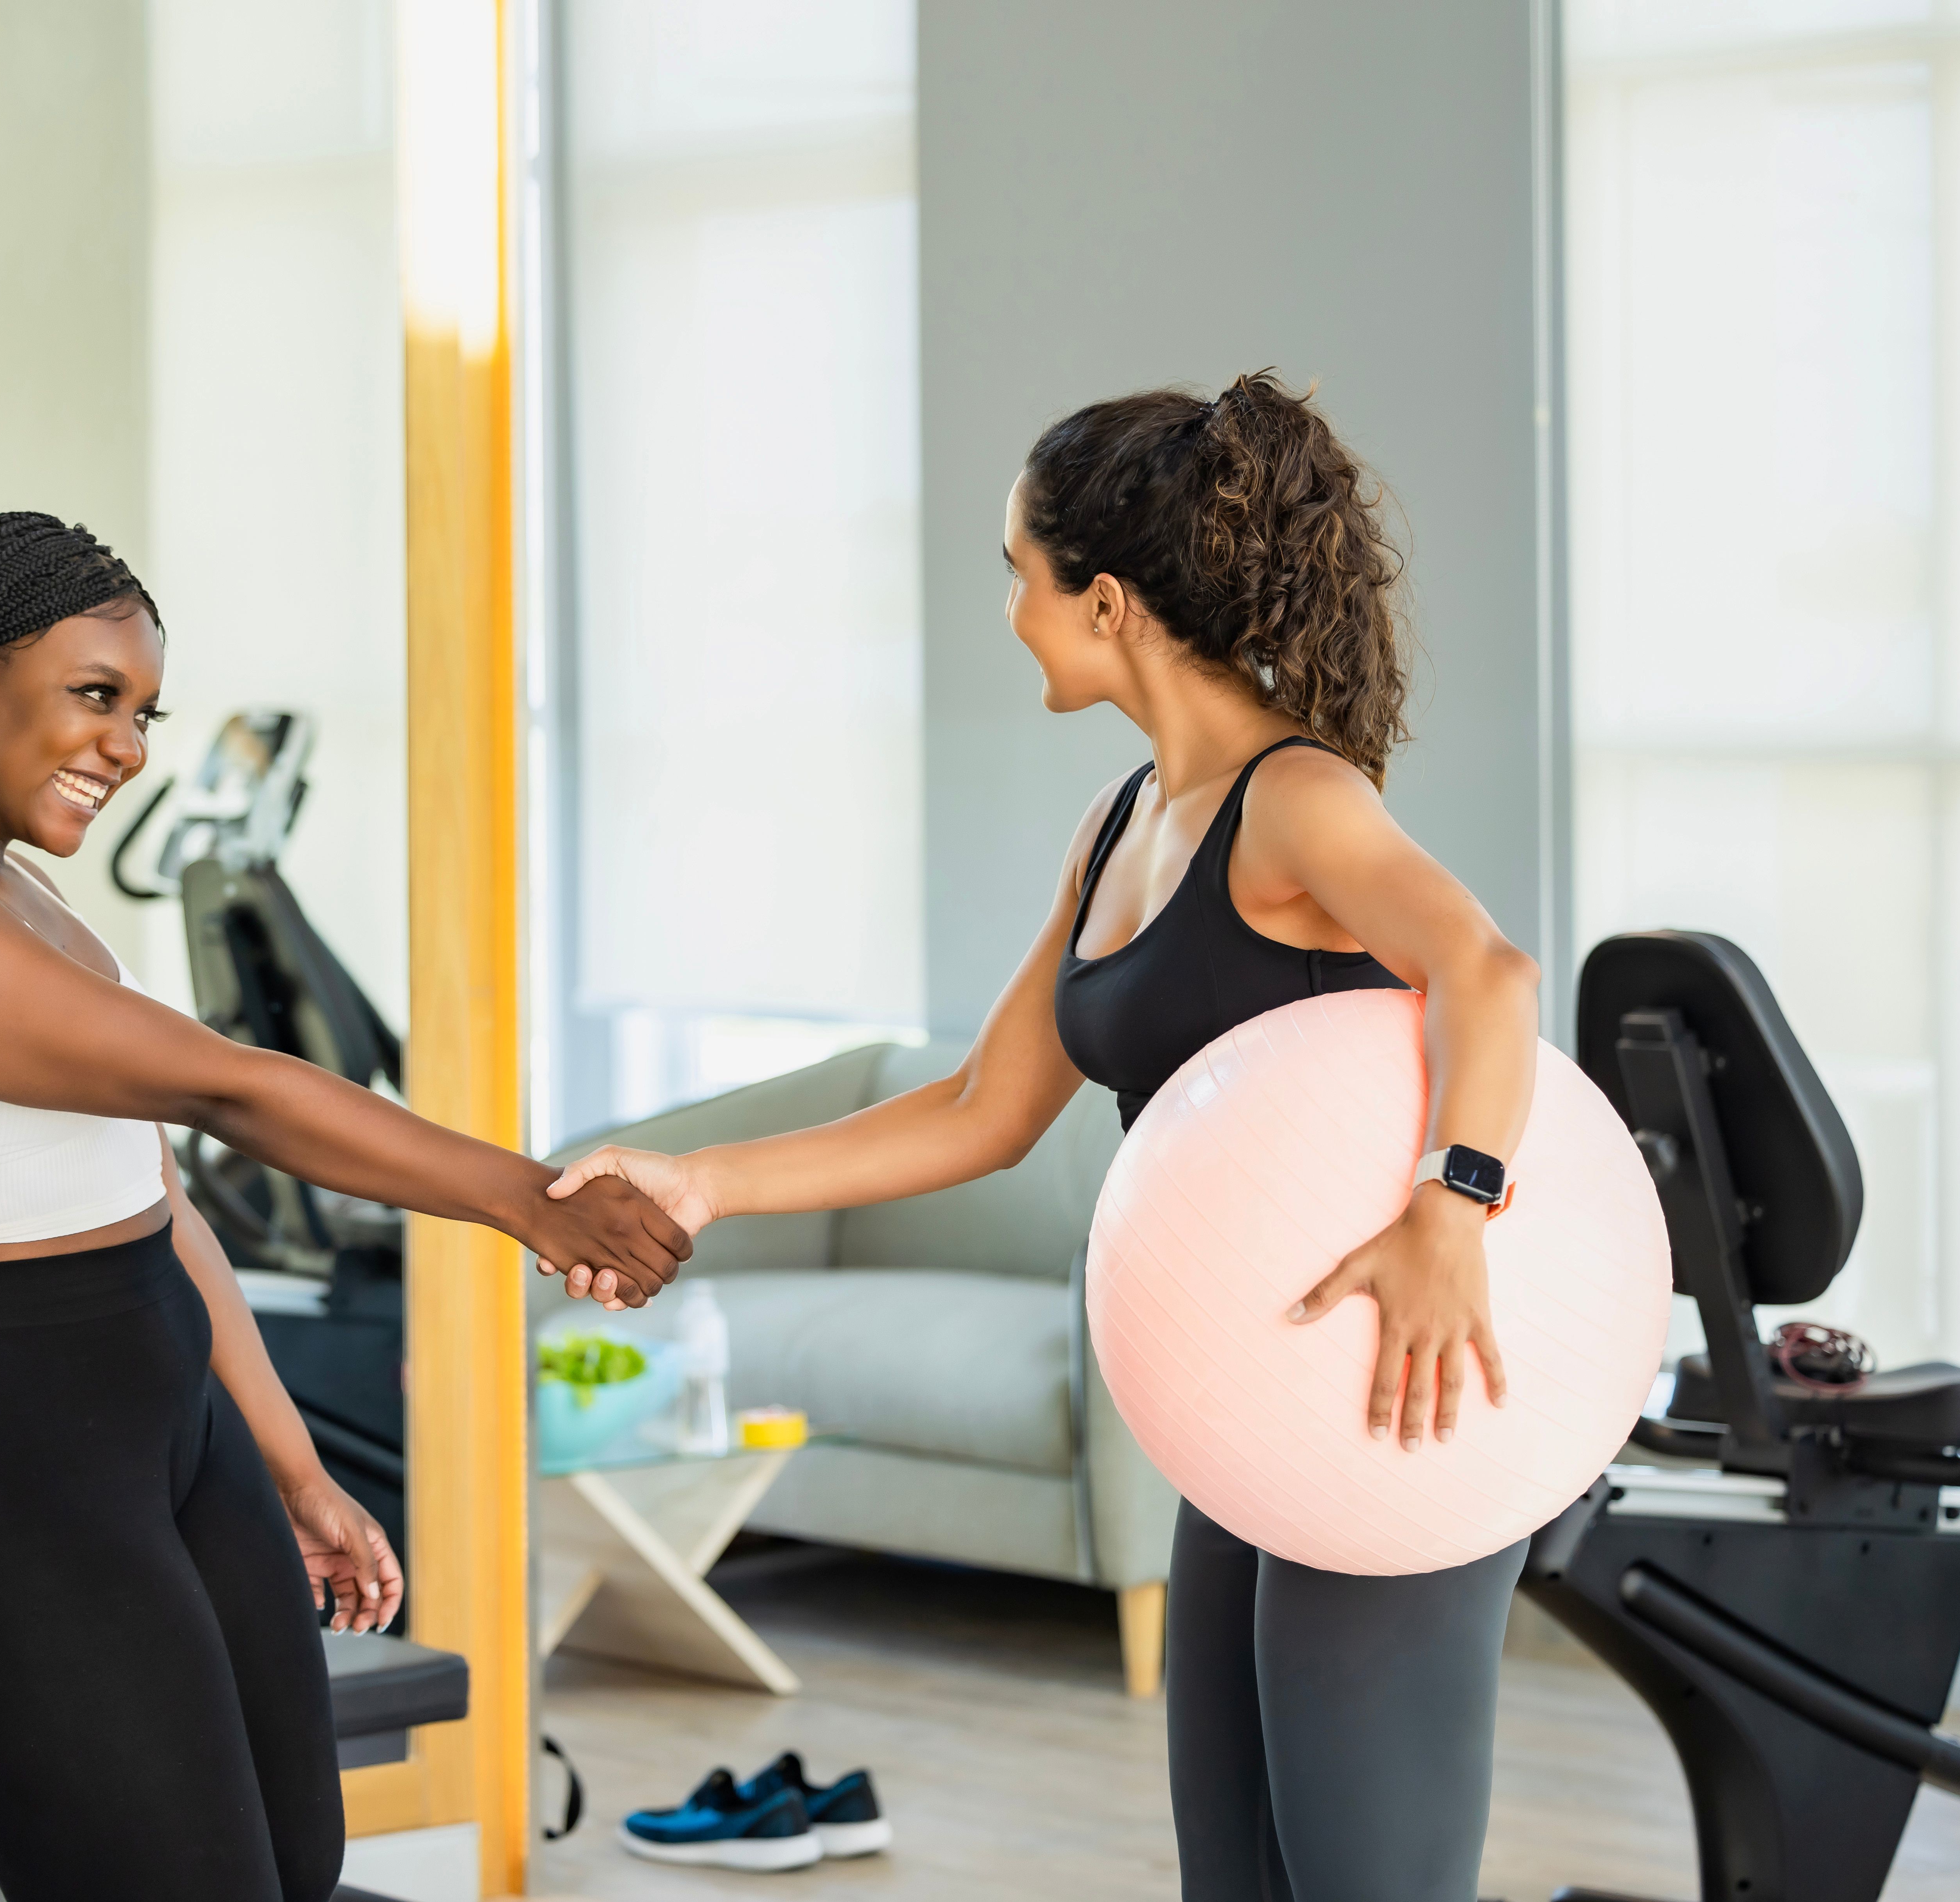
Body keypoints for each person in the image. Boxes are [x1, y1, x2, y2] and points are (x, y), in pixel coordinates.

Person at [549, 375, 1545, 1902]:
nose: (1008, 612)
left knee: (1364, 1879)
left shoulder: (1296, 801)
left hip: (1385, 1388)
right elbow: (982, 1111)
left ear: (1104, 601)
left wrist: (1450, 1209)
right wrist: (704, 1182)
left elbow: (1485, 969)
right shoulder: (1127, 818)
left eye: (1016, 577)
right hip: (1251, 1389)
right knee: (1238, 1870)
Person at [0, 511, 689, 1902]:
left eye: (141, 712)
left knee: (294, 1866)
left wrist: (289, 1466)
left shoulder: (18, 895)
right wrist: (530, 1199)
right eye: (96, 698)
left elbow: (158, 1200)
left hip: (161, 1436)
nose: (128, 747)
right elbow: (232, 1090)